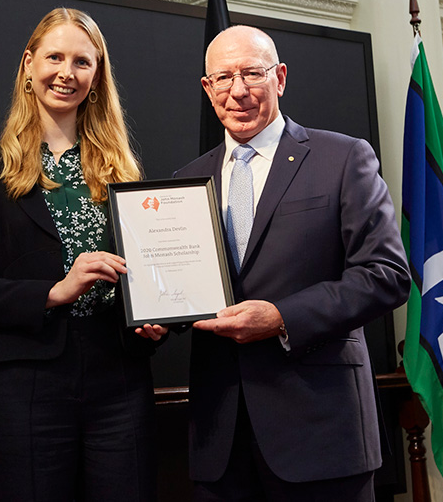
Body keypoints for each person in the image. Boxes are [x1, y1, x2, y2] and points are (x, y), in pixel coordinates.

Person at [174, 25, 411, 501]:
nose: (237, 90)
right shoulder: (186, 180)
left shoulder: (341, 158)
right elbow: (188, 286)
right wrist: (159, 315)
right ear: (207, 88)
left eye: (252, 74)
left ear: (279, 77)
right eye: (223, 78)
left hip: (322, 434)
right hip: (221, 441)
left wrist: (283, 318)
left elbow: (386, 275)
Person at [0, 8, 163, 502]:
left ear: (97, 75)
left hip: (121, 381)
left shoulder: (126, 174)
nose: (67, 73)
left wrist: (155, 319)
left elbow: (150, 281)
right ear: (27, 65)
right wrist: (55, 291)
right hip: (30, 385)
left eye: (83, 62)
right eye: (55, 57)